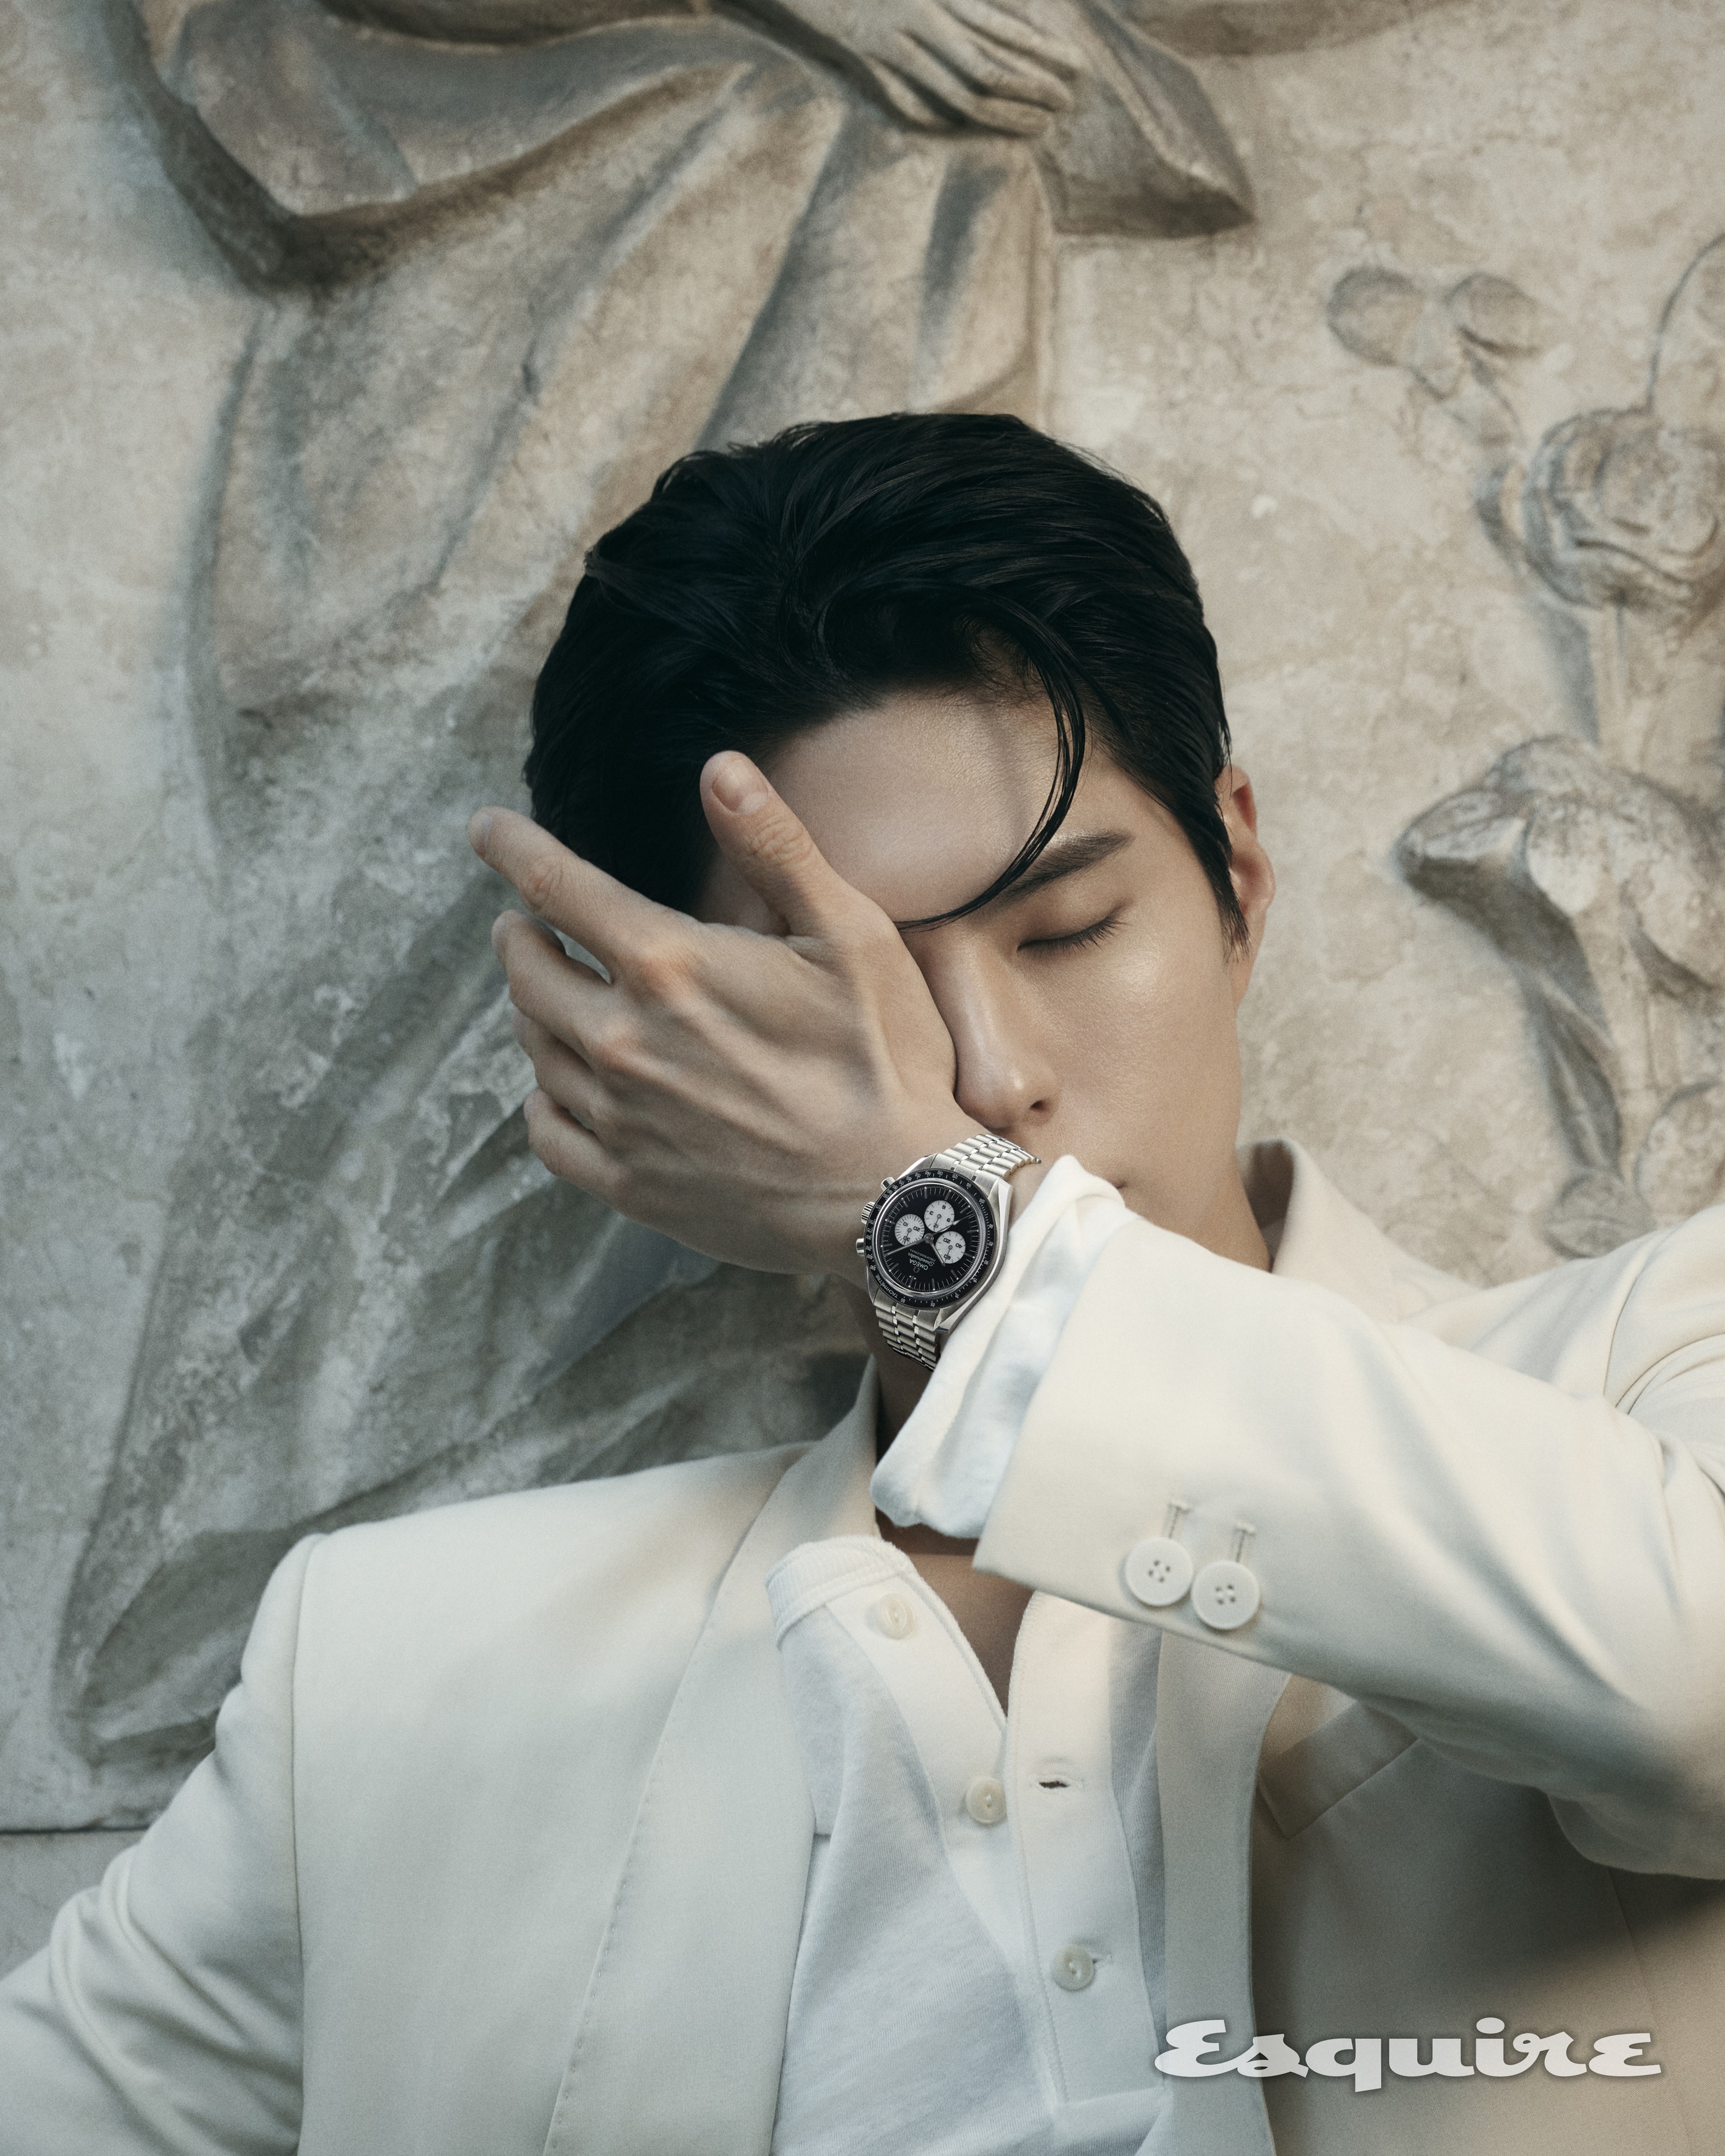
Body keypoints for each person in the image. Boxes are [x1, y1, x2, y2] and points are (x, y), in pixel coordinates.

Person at [3, 412, 1723, 2156]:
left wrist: (926, 1215)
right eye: (855, 1006)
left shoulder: (1647, 1377)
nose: (990, 1079)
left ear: (1240, 884)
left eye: (1067, 931)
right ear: (665, 1063)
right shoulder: (398, 1680)